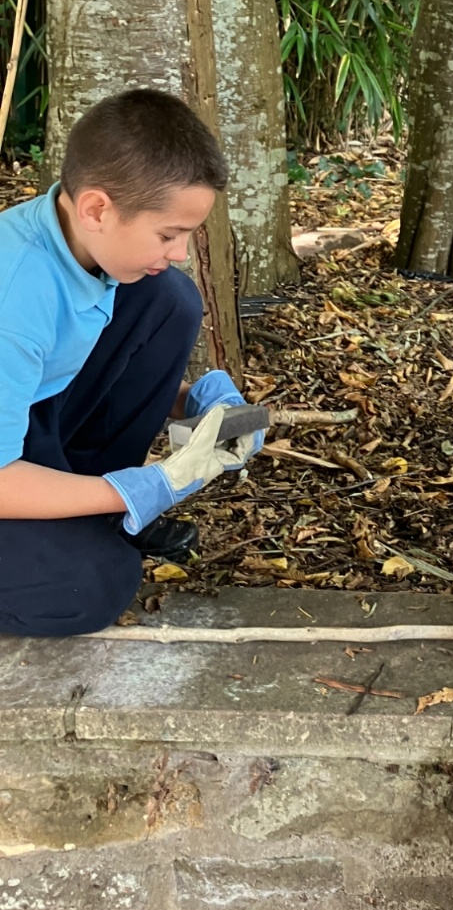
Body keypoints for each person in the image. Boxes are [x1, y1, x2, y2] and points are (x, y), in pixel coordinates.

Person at [0, 89, 264, 638]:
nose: (180, 252)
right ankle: (96, 520)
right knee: (92, 585)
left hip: (27, 419)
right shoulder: (14, 300)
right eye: (168, 234)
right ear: (97, 209)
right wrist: (131, 490)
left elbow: (67, 368)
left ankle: (94, 517)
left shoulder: (83, 248)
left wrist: (191, 402)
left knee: (168, 298)